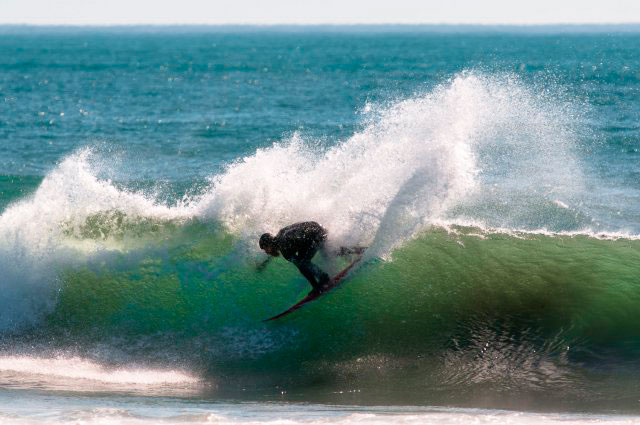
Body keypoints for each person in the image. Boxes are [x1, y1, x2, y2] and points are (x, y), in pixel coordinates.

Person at [258, 221, 332, 292]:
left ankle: (324, 278)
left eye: (265, 249)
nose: (266, 252)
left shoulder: (284, 249)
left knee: (303, 263)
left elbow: (301, 267)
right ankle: (342, 251)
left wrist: (315, 286)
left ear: (269, 245)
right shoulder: (280, 234)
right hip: (319, 229)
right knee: (325, 253)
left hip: (315, 235)